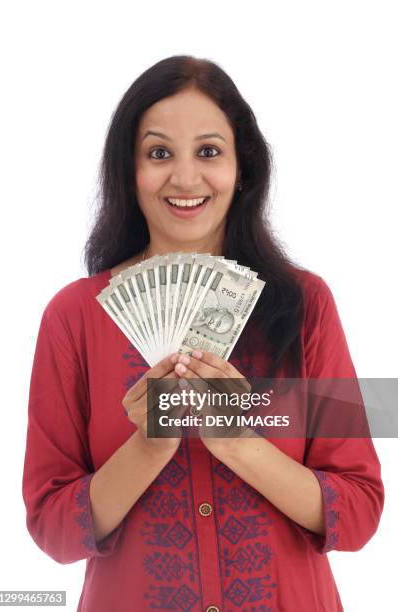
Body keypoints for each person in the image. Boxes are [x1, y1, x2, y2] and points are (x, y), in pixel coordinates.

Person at [22, 55, 384, 612]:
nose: (185, 178)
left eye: (209, 151)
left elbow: (359, 513)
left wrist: (238, 441)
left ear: (244, 169)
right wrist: (149, 444)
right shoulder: (74, 317)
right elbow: (52, 530)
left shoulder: (307, 305)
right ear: (129, 170)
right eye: (159, 152)